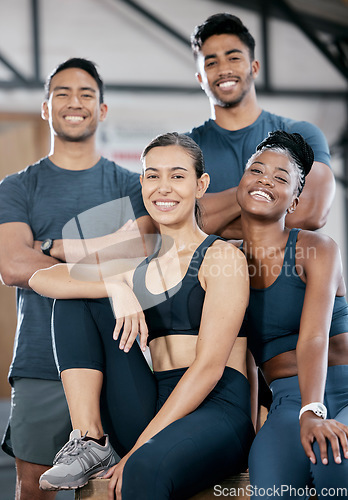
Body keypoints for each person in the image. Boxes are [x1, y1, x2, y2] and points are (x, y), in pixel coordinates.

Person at [29, 132, 255, 499]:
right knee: (77, 296)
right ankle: (89, 439)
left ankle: (131, 453)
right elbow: (43, 278)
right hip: (152, 399)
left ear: (201, 185)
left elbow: (209, 368)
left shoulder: (222, 258)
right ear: (142, 183)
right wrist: (117, 287)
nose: (163, 187)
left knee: (144, 468)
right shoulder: (138, 261)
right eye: (152, 175)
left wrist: (138, 449)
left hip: (216, 405)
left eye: (177, 176)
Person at [0, 57, 154, 500]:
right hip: (39, 361)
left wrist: (49, 248)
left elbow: (140, 253)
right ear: (46, 107)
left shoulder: (131, 185)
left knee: (115, 490)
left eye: (87, 94)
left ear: (102, 110)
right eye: (62, 93)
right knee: (36, 489)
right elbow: (12, 265)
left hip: (120, 355)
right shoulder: (18, 186)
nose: (75, 102)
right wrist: (108, 272)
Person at [236, 130, 348, 498]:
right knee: (271, 487)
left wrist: (313, 412)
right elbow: (244, 359)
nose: (266, 180)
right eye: (257, 170)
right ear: (242, 180)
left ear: (295, 201)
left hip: (343, 390)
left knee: (334, 463)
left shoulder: (316, 249)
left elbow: (314, 336)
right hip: (287, 400)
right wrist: (249, 431)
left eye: (281, 177)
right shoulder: (223, 259)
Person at [188, 13, 335, 240]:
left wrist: (209, 220)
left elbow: (309, 214)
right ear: (200, 78)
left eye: (234, 58)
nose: (224, 69)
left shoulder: (301, 136)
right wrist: (262, 193)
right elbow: (178, 221)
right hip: (213, 275)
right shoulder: (185, 150)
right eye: (211, 62)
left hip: (286, 275)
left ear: (254, 67)